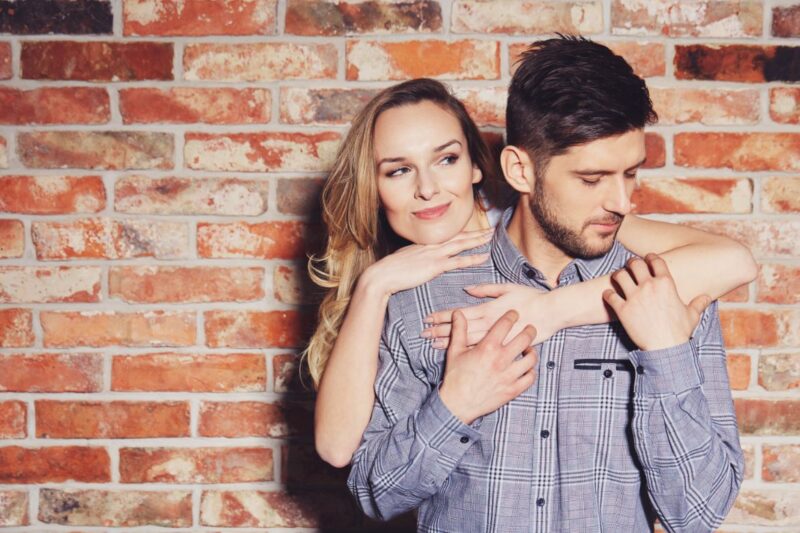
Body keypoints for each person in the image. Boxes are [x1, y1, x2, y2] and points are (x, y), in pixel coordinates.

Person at [342, 37, 746, 532]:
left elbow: (698, 515)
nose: (622, 203)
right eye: (591, 179)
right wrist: (453, 406)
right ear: (520, 170)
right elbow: (374, 492)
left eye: (630, 174)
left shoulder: (667, 291)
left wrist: (665, 353)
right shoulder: (425, 295)